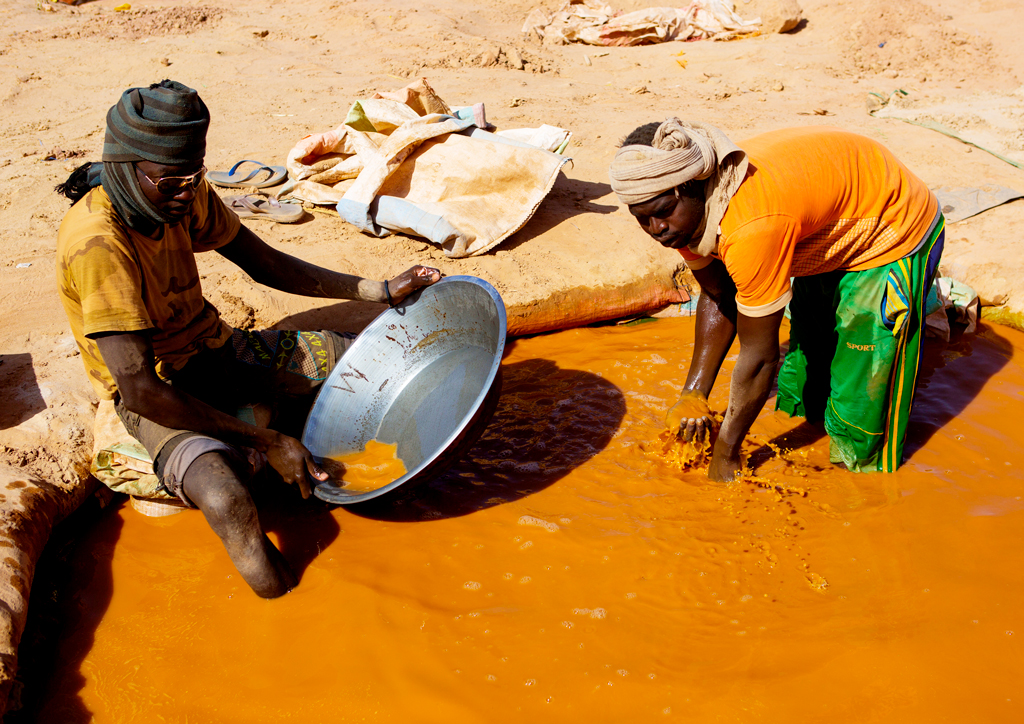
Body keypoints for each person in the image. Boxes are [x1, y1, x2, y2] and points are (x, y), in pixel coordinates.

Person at [55, 80, 440, 598]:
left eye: (194, 177)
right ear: (125, 165)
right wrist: (271, 442)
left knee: (370, 363)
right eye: (170, 181)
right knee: (225, 494)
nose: (186, 192)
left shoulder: (178, 193)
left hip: (215, 348)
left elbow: (262, 261)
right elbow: (142, 389)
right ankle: (283, 598)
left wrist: (376, 289)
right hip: (161, 389)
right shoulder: (100, 244)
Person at [610, 119, 943, 481]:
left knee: (862, 402)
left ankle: (862, 483)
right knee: (803, 389)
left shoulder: (751, 226)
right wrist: (693, 394)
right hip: (825, 227)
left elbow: (760, 357)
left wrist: (726, 452)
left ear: (695, 186)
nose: (656, 229)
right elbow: (719, 292)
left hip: (890, 229)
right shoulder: (688, 217)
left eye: (662, 213)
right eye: (642, 219)